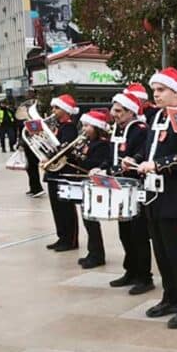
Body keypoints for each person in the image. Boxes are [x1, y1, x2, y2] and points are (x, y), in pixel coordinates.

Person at [125, 68, 177, 328]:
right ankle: (170, 296)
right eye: (154, 90)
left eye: (161, 90)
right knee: (160, 249)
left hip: (175, 194)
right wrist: (136, 160)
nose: (155, 94)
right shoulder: (158, 115)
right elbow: (150, 149)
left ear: (176, 92)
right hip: (153, 193)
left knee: (176, 250)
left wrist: (159, 165)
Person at [108, 89, 154, 294]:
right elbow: (112, 156)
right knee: (124, 233)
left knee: (138, 234)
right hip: (120, 186)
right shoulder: (117, 129)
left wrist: (134, 159)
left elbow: (145, 150)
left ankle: (145, 277)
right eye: (113, 109)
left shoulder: (140, 129)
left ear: (131, 112)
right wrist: (102, 167)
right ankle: (131, 270)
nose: (114, 113)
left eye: (118, 110)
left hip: (136, 187)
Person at [77, 110, 113, 269]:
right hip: (84, 184)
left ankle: (97, 254)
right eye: (83, 125)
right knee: (87, 220)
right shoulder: (87, 143)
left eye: (87, 126)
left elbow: (93, 164)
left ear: (97, 127)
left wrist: (78, 158)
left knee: (91, 221)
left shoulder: (102, 144)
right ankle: (92, 252)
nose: (84, 129)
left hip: (94, 185)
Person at [44, 94, 81, 251]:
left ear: (66, 110)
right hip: (54, 172)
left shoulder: (69, 127)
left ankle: (70, 240)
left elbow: (63, 149)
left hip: (64, 172)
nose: (53, 110)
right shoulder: (57, 127)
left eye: (56, 108)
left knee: (66, 209)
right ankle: (61, 237)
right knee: (56, 208)